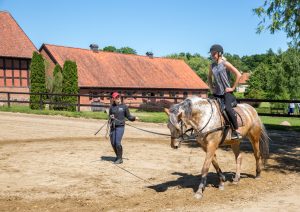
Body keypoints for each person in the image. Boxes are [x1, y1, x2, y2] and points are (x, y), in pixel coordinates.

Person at [208, 44, 242, 140]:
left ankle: (236, 130)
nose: (212, 55)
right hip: (216, 93)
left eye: (214, 53)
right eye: (211, 54)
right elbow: (209, 77)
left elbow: (238, 74)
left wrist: (232, 88)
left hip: (227, 93)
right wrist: (211, 88)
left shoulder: (225, 63)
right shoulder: (212, 65)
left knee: (227, 109)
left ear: (219, 53)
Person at [109, 92, 138, 164]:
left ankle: (120, 159)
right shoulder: (111, 107)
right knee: (113, 143)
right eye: (116, 97)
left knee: (117, 143)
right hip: (113, 126)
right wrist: (110, 117)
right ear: (113, 99)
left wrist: (134, 118)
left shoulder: (124, 107)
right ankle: (118, 156)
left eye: (118, 97)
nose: (118, 98)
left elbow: (129, 116)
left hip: (120, 126)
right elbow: (110, 116)